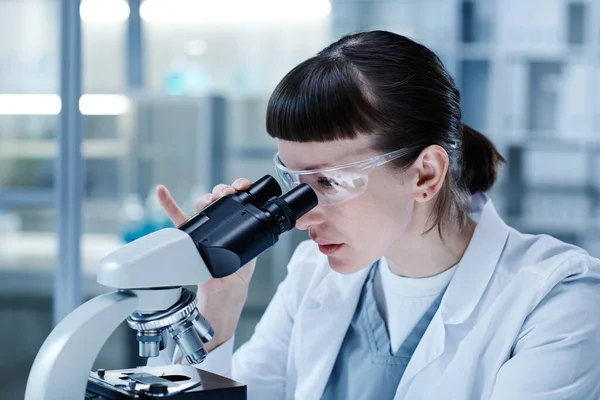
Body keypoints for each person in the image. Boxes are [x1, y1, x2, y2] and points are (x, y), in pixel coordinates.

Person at [152, 31, 600, 399]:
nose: (302, 219)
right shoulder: (313, 274)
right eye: (293, 184)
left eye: (330, 182)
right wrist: (218, 311)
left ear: (426, 174)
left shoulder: (558, 299)